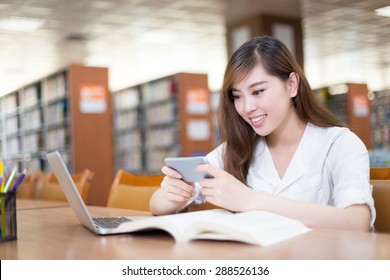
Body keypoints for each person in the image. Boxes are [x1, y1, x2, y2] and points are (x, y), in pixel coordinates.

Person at [149, 35, 375, 231]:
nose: (246, 107)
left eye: (258, 91)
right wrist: (172, 195)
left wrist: (249, 200)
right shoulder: (237, 148)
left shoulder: (340, 144)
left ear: (292, 85)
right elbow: (156, 205)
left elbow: (357, 222)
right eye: (237, 96)